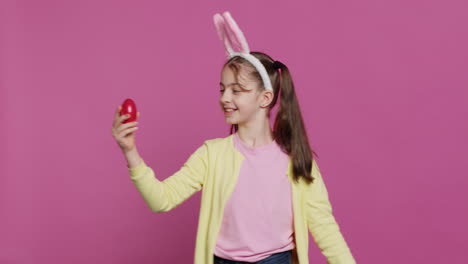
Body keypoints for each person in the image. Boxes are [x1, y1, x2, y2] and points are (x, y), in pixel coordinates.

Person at [111, 11, 356, 264]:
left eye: (236, 90)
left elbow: (325, 228)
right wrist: (130, 152)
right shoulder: (212, 154)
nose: (225, 98)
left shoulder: (296, 160)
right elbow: (161, 200)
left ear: (265, 98)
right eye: (222, 89)